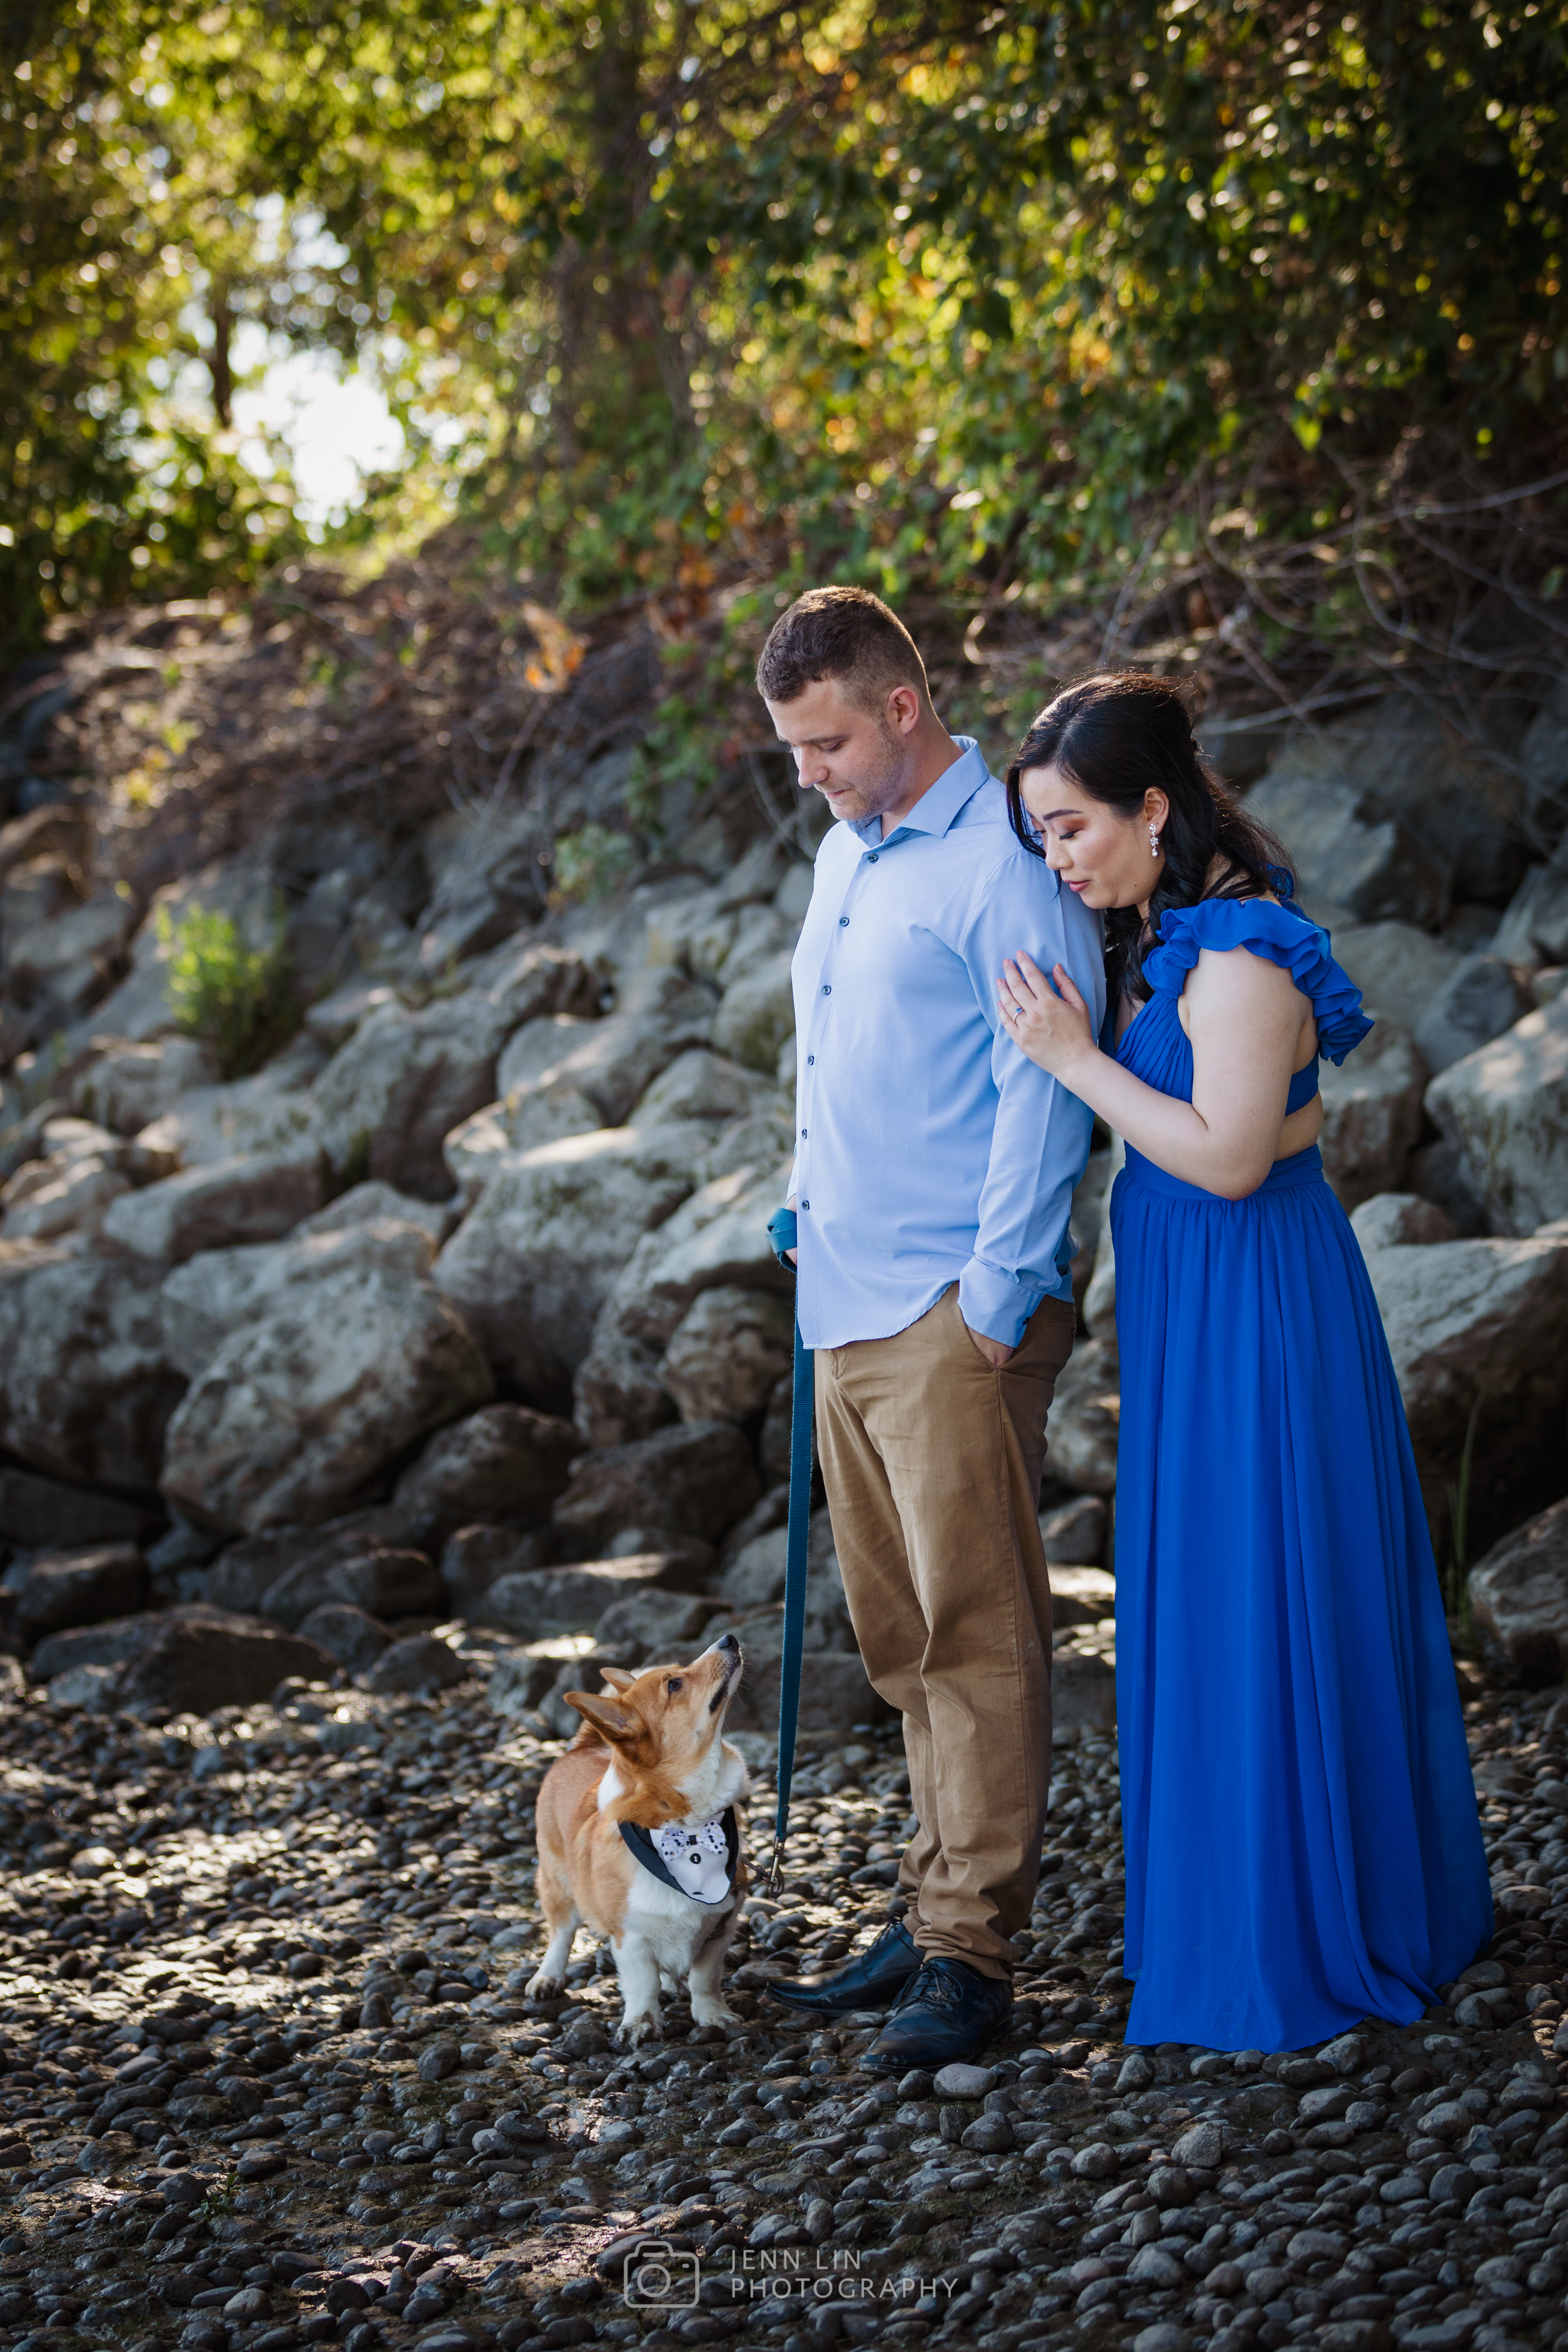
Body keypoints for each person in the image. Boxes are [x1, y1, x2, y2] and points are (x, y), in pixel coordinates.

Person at [994, 671, 1492, 2052]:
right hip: (1200, 1299)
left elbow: (1220, 1157)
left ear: (1153, 809)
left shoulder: (1241, 952)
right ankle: (1242, 1898)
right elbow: (1282, 1120)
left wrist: (1071, 1060)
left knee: (1260, 1582)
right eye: (1040, 836)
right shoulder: (1185, 936)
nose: (1059, 859)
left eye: (1073, 829)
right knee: (1224, 1586)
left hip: (1252, 1305)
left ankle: (1293, 1929)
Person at [755, 586, 1105, 2071]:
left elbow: (1045, 1085)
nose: (809, 774)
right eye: (790, 750)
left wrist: (997, 1293)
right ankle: (931, 1892)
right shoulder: (847, 853)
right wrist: (798, 1197)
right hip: (842, 1295)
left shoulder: (1002, 870)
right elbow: (830, 1049)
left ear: (902, 707)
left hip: (947, 1310)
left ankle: (973, 1952)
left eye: (825, 741)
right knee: (898, 1635)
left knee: (971, 1632)